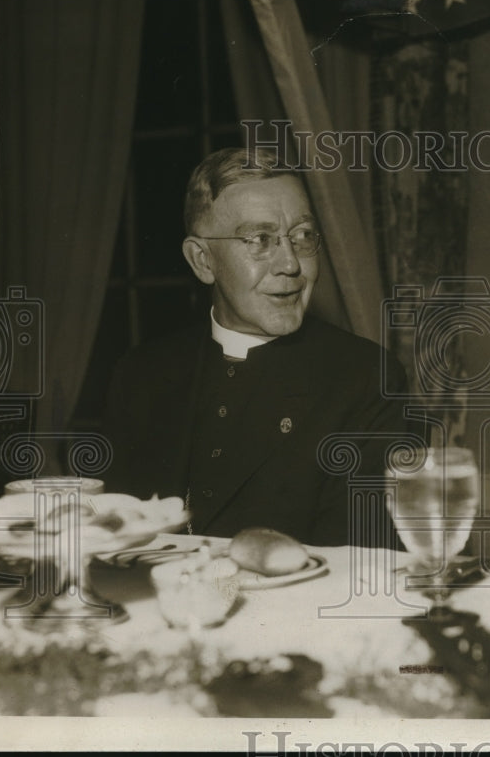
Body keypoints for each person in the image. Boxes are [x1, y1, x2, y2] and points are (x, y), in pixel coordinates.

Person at [102, 147, 410, 547]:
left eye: (302, 236)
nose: (290, 264)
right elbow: (112, 537)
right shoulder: (140, 374)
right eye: (260, 239)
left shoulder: (366, 379)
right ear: (202, 261)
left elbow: (363, 563)